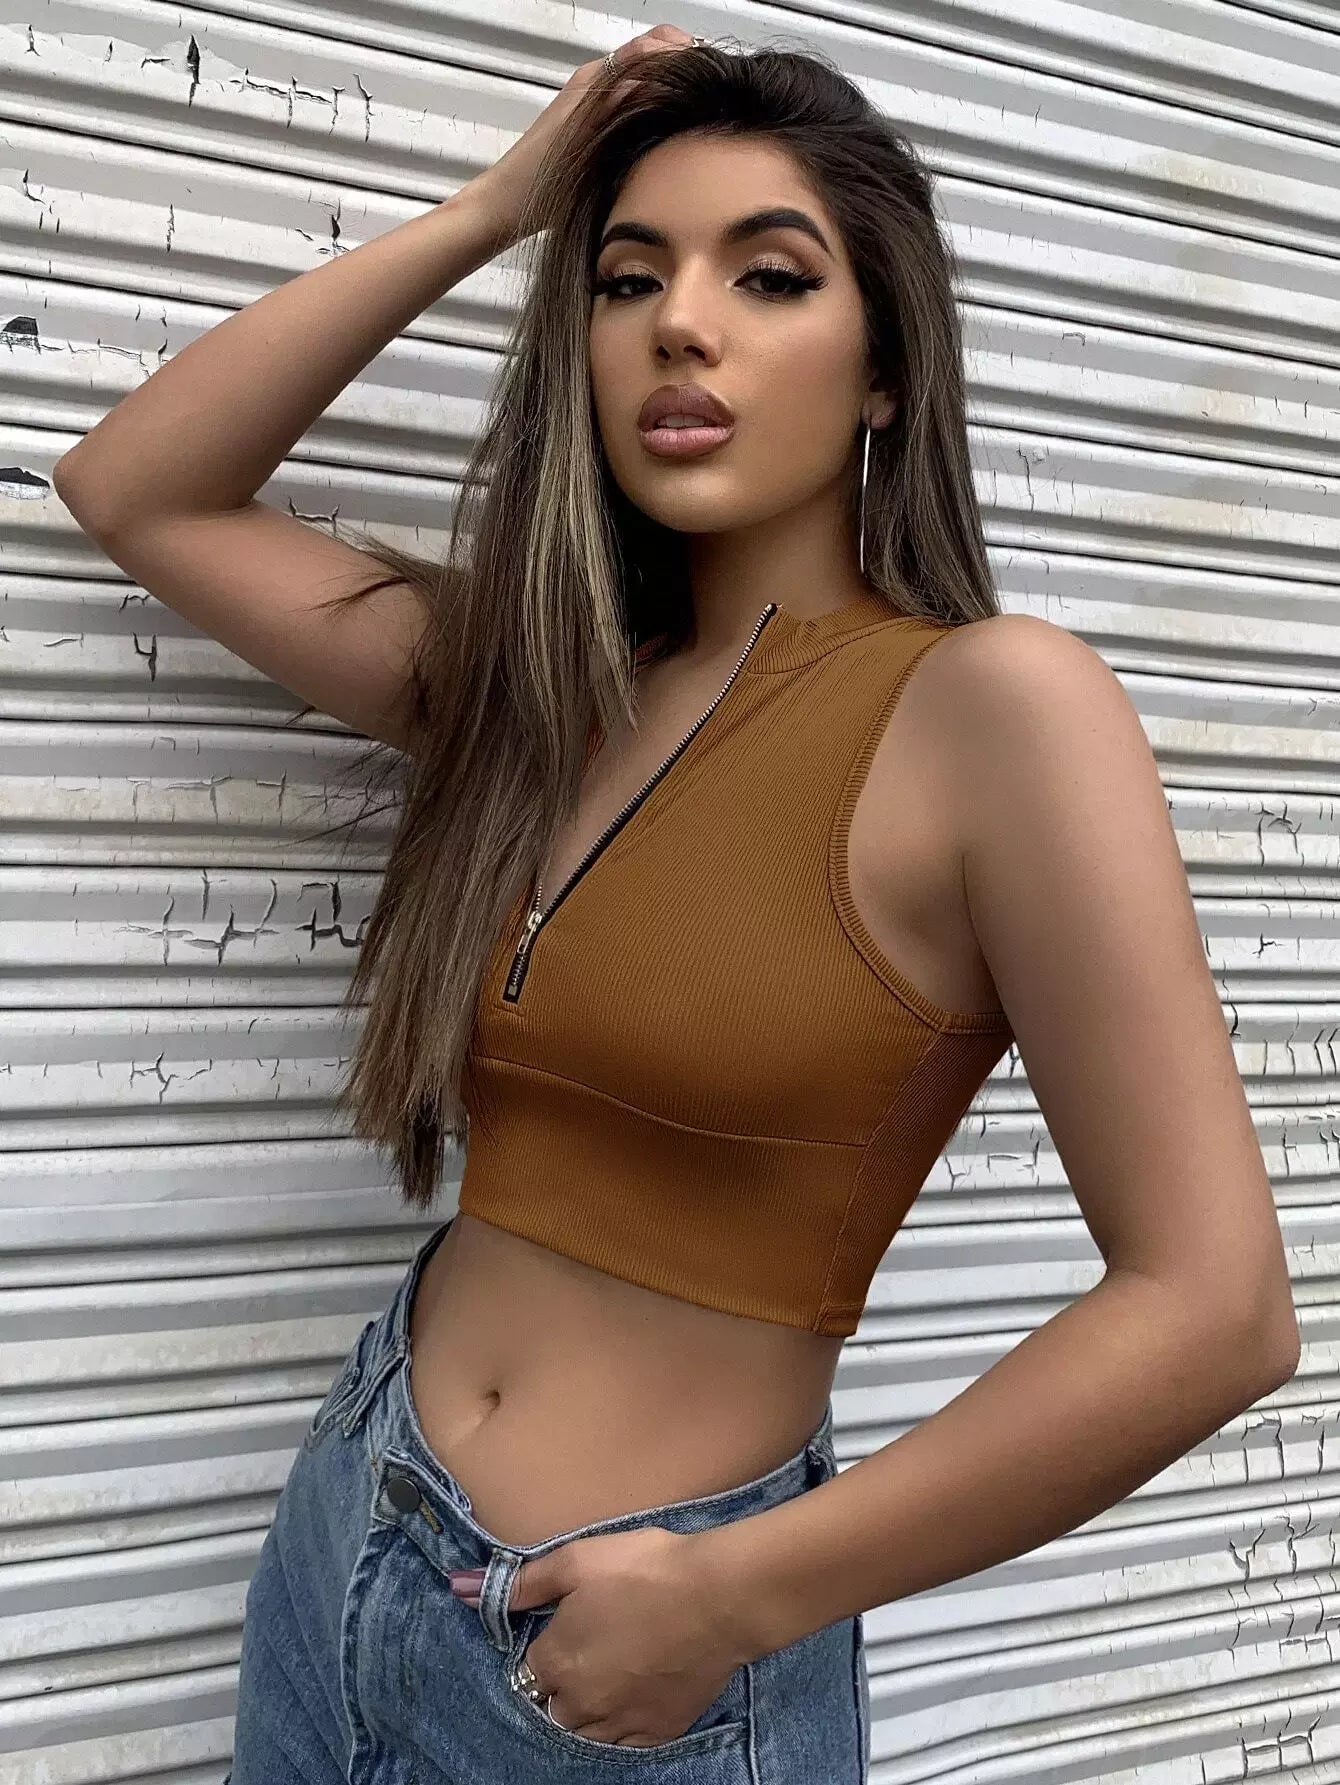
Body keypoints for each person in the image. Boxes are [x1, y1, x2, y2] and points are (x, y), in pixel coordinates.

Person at [53, 26, 1300, 1784]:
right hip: (350, 1527)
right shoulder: (542, 690)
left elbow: (1215, 1307)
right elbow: (136, 487)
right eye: (628, 279)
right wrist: (504, 207)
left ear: (886, 369)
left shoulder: (991, 707)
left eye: (769, 276)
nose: (680, 326)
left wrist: (728, 1597)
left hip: (623, 1664)